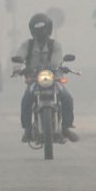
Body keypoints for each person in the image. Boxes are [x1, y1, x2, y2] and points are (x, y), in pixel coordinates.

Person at [18, 13, 78, 143]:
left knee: (67, 98)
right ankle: (27, 130)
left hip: (54, 79)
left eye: (43, 28)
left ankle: (66, 128)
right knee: (26, 100)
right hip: (34, 80)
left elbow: (56, 61)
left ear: (49, 29)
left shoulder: (55, 45)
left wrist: (56, 67)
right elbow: (19, 57)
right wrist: (18, 68)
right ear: (32, 30)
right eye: (38, 29)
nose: (41, 32)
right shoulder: (27, 45)